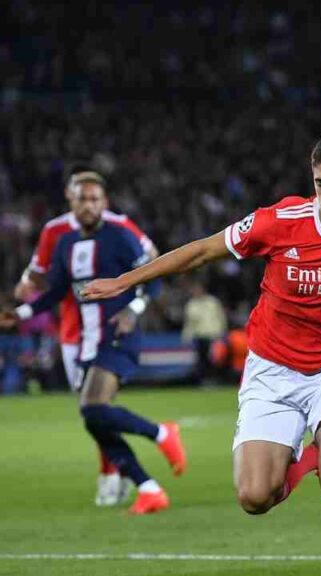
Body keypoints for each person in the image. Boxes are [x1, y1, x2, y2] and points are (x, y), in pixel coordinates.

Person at [82, 132, 321, 576]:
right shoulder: (279, 220)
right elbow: (204, 250)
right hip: (271, 369)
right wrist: (127, 280)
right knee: (254, 498)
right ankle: (311, 457)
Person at [1, 174, 185, 515]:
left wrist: (134, 308)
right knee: (95, 420)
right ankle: (148, 488)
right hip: (87, 341)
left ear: (105, 202)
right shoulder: (66, 244)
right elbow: (56, 291)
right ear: (71, 203)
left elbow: (154, 277)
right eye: (83, 199)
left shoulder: (118, 236)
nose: (89, 205)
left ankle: (161, 433)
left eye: (96, 199)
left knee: (93, 408)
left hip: (117, 334)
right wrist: (21, 313)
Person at [182, 282, 228, 385]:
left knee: (215, 359)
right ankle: (204, 381)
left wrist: (223, 332)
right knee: (202, 360)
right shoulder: (191, 304)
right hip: (200, 336)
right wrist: (186, 335)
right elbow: (189, 322)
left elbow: (221, 317)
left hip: (213, 335)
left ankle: (215, 379)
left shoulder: (212, 302)